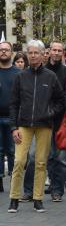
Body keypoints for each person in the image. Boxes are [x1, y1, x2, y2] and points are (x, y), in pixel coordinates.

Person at [8, 39, 65, 213]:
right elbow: (14, 103)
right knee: (19, 161)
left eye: (36, 53)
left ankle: (38, 199)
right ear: (27, 55)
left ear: (43, 55)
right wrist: (14, 127)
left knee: (40, 163)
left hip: (44, 125)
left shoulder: (50, 76)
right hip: (23, 125)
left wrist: (49, 112)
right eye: (30, 53)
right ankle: (14, 198)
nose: (33, 56)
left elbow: (60, 101)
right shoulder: (20, 76)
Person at [44, 40, 66, 202]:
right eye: (53, 50)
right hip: (44, 120)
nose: (56, 53)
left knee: (61, 158)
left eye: (59, 50)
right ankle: (52, 184)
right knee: (48, 156)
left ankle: (58, 190)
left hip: (62, 120)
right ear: (48, 51)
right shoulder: (42, 70)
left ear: (63, 53)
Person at [0, 42, 20, 193]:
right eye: (1, 50)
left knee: (13, 151)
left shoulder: (18, 73)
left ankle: (15, 182)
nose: (3, 52)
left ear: (11, 53)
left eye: (6, 50)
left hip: (14, 118)